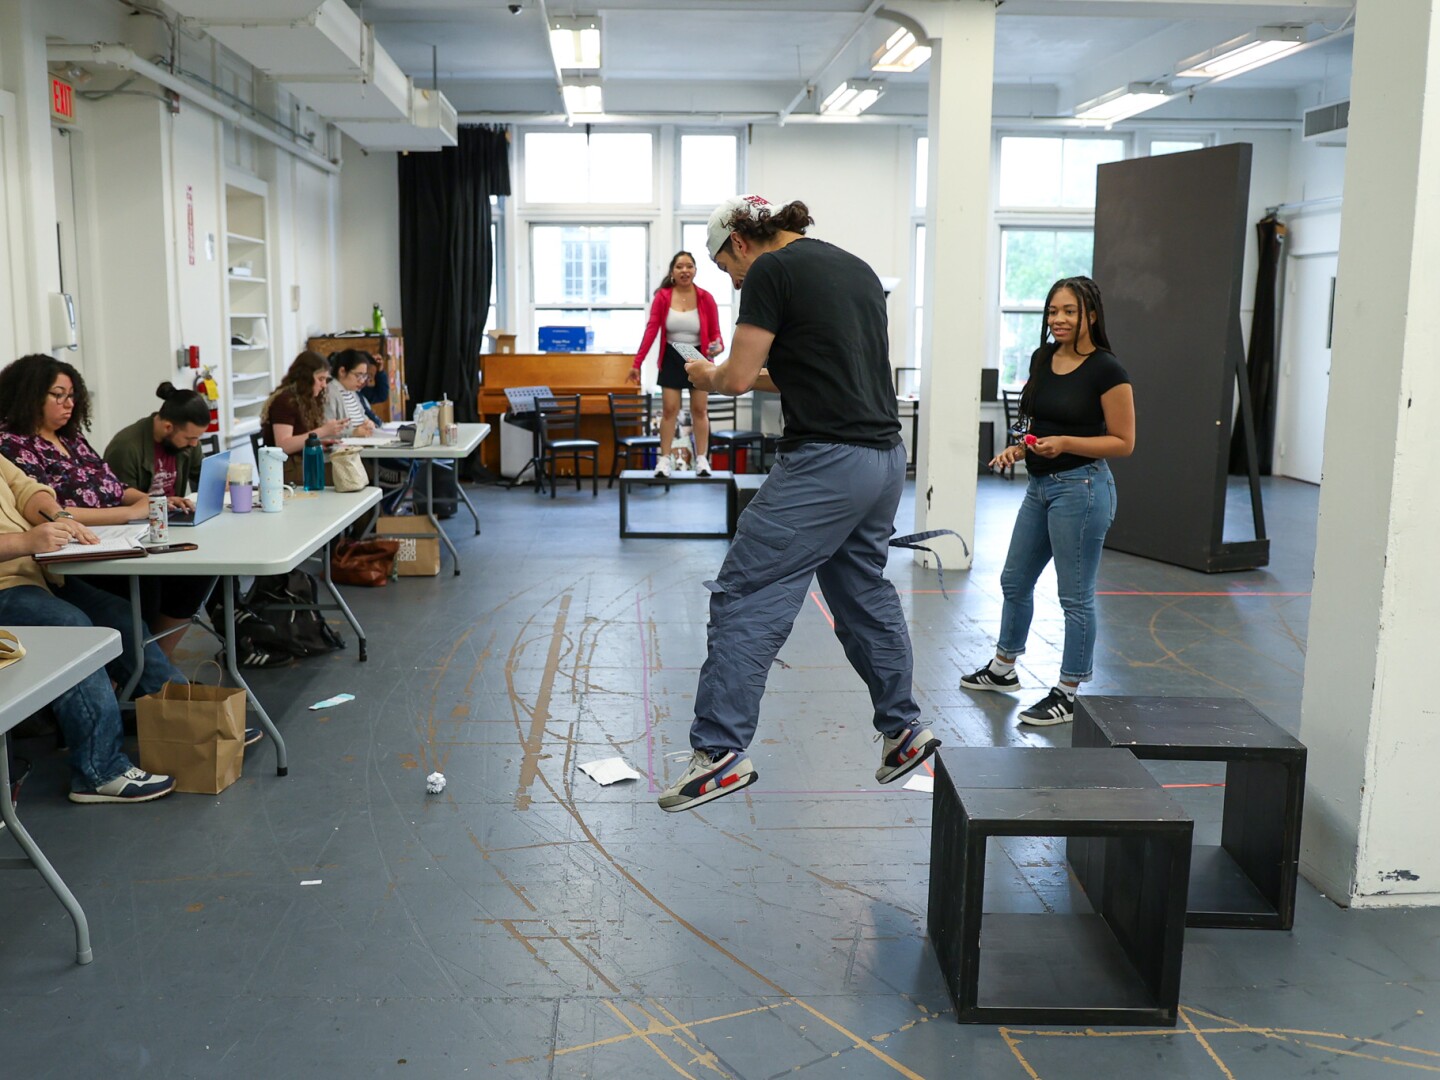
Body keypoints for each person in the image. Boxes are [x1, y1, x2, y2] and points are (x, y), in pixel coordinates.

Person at [657, 195, 937, 813]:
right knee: (861, 591)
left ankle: (720, 753)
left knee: (747, 591)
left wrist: (705, 376)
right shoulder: (853, 267)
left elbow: (733, 380)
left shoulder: (769, 273)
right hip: (884, 459)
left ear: (739, 243)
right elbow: (802, 369)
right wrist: (731, 370)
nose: (729, 281)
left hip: (827, 464)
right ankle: (903, 729)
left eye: (723, 266)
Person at [960, 275, 1135, 726]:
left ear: (1090, 316)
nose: (1058, 319)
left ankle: (1069, 691)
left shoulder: (1107, 370)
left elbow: (1123, 442)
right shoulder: (1043, 358)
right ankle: (1003, 669)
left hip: (1082, 488)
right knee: (1014, 581)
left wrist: (1066, 444)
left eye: (1069, 312)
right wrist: (1021, 447)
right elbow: (1037, 423)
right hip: (1040, 487)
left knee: (1075, 598)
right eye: (1053, 311)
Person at [0, 453, 175, 803]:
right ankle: (98, 771)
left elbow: (26, 490)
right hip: (9, 583)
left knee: (119, 615)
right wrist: (26, 542)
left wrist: (56, 515)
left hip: (35, 572)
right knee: (74, 631)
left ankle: (192, 721)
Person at [100, 383, 217, 658]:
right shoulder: (126, 447)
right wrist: (158, 504)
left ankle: (159, 663)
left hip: (171, 529)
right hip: (137, 536)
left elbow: (203, 478)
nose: (194, 445)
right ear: (167, 427)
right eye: (189, 439)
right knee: (156, 588)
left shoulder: (187, 443)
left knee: (206, 576)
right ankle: (147, 668)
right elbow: (116, 498)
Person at [0, 355, 189, 525]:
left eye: (72, 395)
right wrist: (130, 513)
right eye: (59, 395)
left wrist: (155, 502)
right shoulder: (12, 444)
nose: (69, 404)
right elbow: (48, 510)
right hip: (78, 537)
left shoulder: (70, 437)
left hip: (118, 528)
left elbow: (114, 487)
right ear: (29, 396)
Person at [628, 250, 725, 477]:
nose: (685, 270)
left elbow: (715, 335)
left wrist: (718, 346)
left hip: (699, 357)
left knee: (700, 410)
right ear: (672, 271)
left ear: (695, 271)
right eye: (680, 266)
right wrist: (637, 363)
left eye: (689, 266)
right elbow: (651, 331)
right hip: (672, 358)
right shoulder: (663, 297)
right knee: (670, 410)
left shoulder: (705, 298)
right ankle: (664, 460)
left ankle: (702, 459)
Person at [260, 351, 345, 480]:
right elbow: (283, 445)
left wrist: (318, 442)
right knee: (350, 473)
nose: (324, 385)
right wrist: (323, 431)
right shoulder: (285, 401)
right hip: (288, 469)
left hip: (301, 463)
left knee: (351, 470)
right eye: (320, 379)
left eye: (325, 380)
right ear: (305, 377)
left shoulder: (305, 398)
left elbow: (299, 437)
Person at [322, 349, 381, 438]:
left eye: (364, 376)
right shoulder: (329, 394)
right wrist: (353, 433)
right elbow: (327, 433)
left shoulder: (352, 392)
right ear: (342, 371)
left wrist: (369, 423)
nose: (362, 381)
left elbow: (362, 417)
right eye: (358, 375)